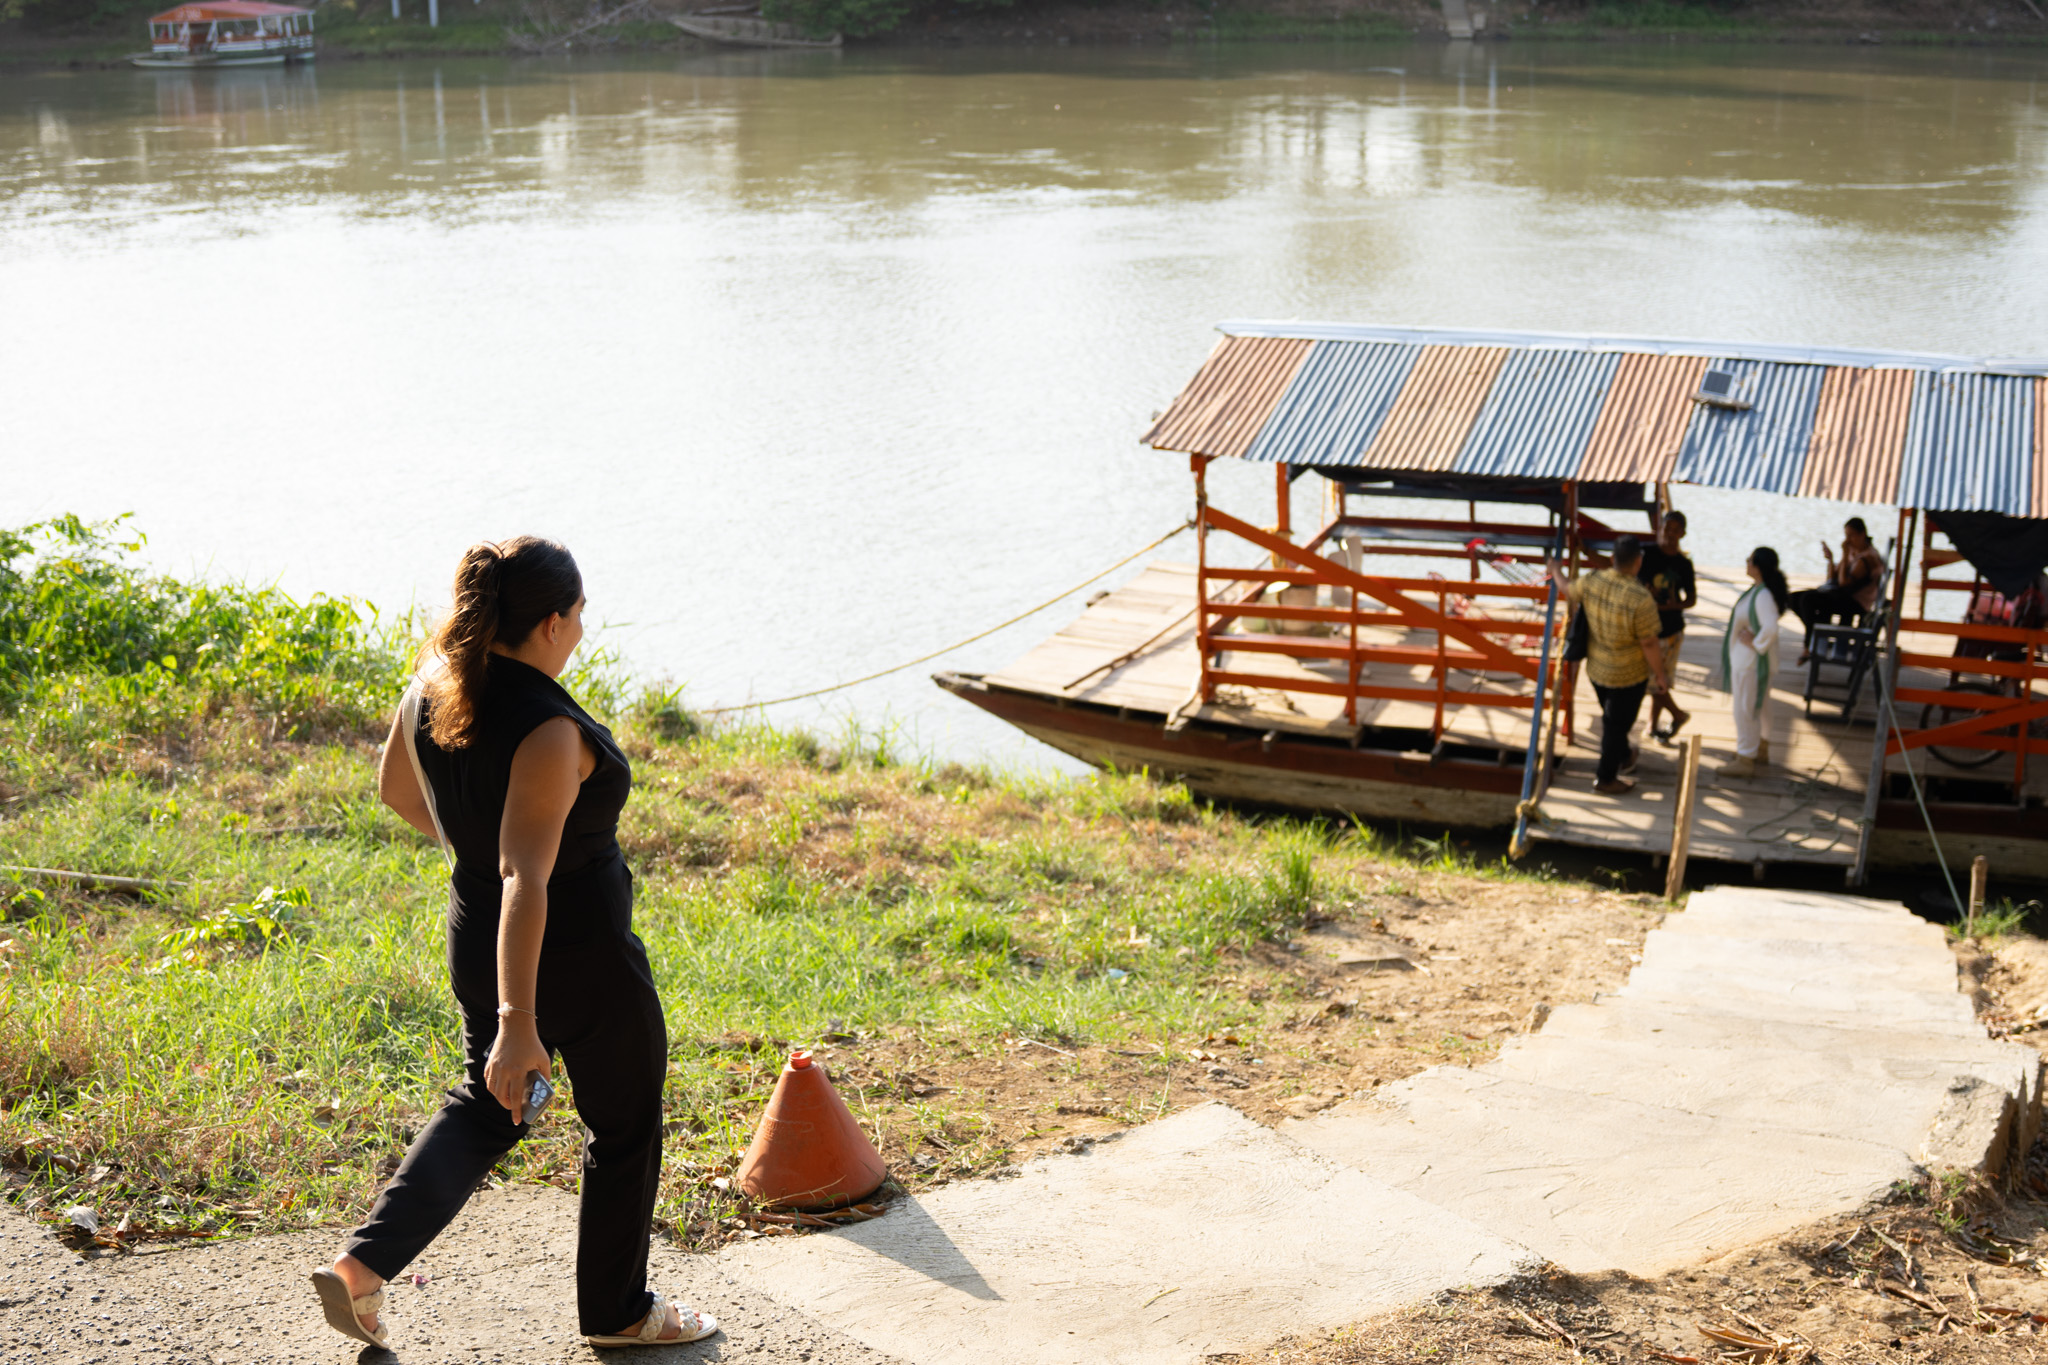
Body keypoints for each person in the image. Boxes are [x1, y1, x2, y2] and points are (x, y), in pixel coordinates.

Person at [311, 538, 716, 1352]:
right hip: (576, 957)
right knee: (625, 1123)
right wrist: (519, 1018)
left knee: (488, 1105)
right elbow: (526, 877)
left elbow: (396, 790)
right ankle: (619, 1313)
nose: (582, 630)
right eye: (579, 614)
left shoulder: (430, 689)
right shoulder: (549, 728)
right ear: (550, 621)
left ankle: (362, 1268)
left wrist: (470, 845)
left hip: (480, 935)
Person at [1566, 534, 1668, 796]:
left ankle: (1624, 754)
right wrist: (1660, 674)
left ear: (1612, 559)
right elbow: (1649, 643)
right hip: (1628, 675)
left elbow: (1568, 589)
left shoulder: (1592, 581)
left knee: (1614, 719)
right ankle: (1605, 778)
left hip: (1597, 670)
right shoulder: (1640, 598)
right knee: (1615, 724)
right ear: (1639, 562)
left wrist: (1555, 569)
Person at [1719, 547, 1790, 780]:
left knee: (1745, 709)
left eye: (1749, 560)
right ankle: (1760, 747)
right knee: (1760, 706)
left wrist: (1755, 642)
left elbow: (1771, 627)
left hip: (1751, 664)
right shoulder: (1760, 591)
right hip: (1750, 663)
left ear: (1758, 566)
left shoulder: (1762, 596)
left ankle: (1745, 757)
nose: (1746, 563)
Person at [1636, 510, 1697, 745]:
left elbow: (1692, 599)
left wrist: (1674, 605)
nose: (1669, 535)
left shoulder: (1684, 564)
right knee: (1655, 680)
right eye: (1665, 529)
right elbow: (1618, 566)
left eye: (1674, 531)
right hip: (1645, 628)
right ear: (1659, 529)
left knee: (1657, 681)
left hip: (1670, 630)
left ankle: (1673, 716)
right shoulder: (1645, 554)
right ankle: (1664, 721)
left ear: (1682, 534)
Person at [1789, 517, 1883, 659]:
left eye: (1851, 536)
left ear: (1862, 534)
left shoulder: (1866, 558)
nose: (1847, 540)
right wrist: (1831, 560)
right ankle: (1817, 631)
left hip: (1855, 602)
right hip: (1841, 596)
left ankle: (1811, 642)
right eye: (1846, 536)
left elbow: (1843, 583)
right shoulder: (1854, 551)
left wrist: (1844, 554)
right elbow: (1832, 578)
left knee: (1808, 599)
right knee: (1793, 598)